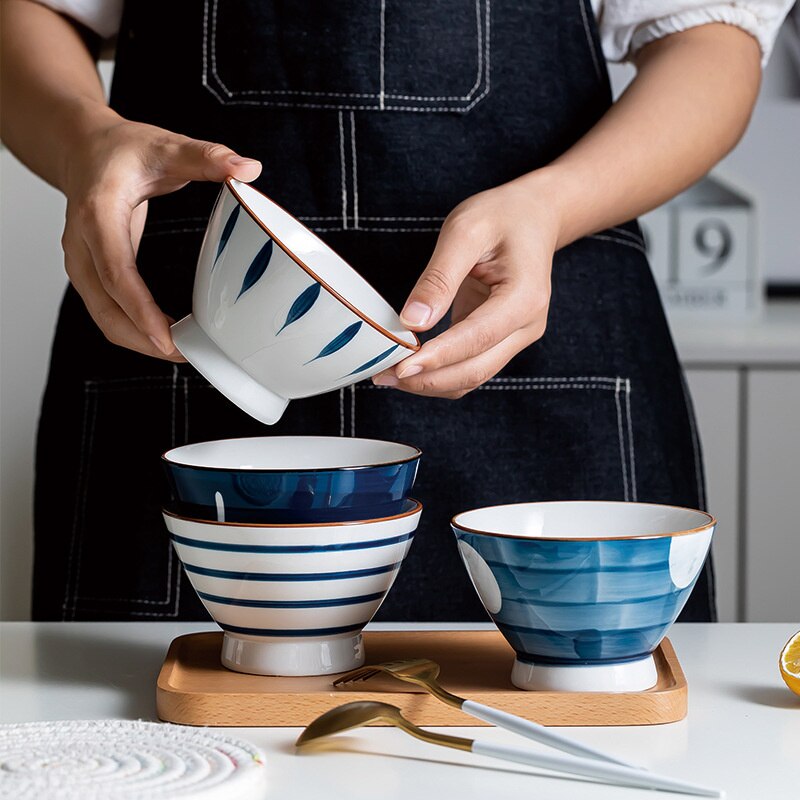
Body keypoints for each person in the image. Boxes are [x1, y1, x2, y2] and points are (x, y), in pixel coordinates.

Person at [1, 0, 792, 623]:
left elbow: (712, 40)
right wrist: (86, 143)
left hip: (533, 357)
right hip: (180, 354)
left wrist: (555, 205)